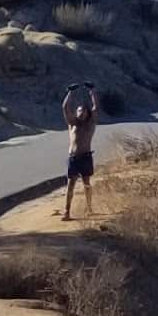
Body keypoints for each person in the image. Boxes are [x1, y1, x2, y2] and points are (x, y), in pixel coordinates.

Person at [58, 83, 99, 218]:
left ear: (87, 113)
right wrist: (70, 92)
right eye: (79, 111)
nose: (81, 113)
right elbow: (65, 107)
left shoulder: (90, 124)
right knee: (70, 185)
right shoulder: (72, 124)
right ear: (76, 113)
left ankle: (89, 208)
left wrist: (92, 91)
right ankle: (67, 211)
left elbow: (96, 107)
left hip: (86, 157)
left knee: (87, 183)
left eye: (83, 111)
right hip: (74, 158)